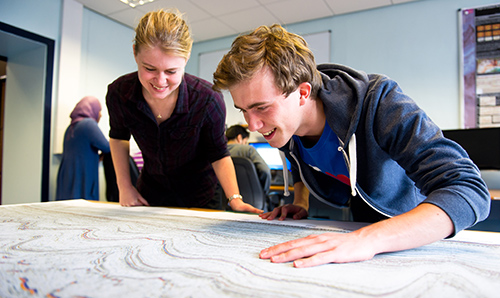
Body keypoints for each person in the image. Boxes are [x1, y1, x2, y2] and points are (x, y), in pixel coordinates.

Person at [212, 24, 491, 268]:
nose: (252, 125)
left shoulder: (380, 102)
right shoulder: (284, 125)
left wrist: (367, 240)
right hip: (362, 229)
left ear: (303, 93)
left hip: (417, 232)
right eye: (243, 110)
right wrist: (300, 202)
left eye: (261, 108)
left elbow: (468, 188)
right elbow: (298, 162)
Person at [105, 9, 261, 213]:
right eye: (150, 69)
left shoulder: (207, 99)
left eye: (171, 71)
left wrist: (235, 199)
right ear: (135, 52)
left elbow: (219, 153)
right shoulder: (119, 93)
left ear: (186, 58)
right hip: (151, 193)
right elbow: (118, 138)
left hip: (201, 196)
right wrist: (124, 187)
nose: (160, 81)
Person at [56, 96, 110, 201]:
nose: (100, 114)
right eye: (99, 110)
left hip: (68, 174)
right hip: (83, 174)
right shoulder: (89, 124)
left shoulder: (70, 127)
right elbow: (107, 147)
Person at [226, 125, 271, 194]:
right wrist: (263, 192)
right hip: (251, 199)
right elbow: (265, 171)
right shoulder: (248, 150)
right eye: (245, 141)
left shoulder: (217, 152)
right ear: (239, 138)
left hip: (224, 199)